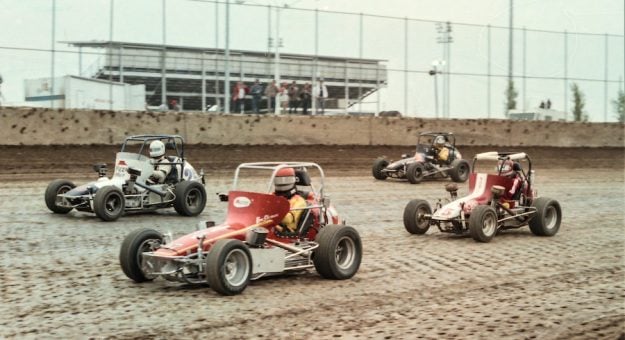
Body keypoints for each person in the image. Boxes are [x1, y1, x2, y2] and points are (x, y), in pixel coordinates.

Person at [273, 167, 307, 233]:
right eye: (279, 180)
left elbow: (287, 219)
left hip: (286, 231)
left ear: (293, 180)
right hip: (269, 226)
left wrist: (268, 212)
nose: (282, 183)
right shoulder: (272, 196)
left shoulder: (299, 201)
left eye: (286, 180)